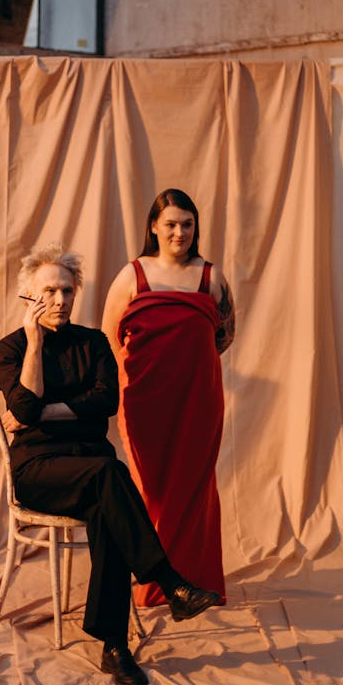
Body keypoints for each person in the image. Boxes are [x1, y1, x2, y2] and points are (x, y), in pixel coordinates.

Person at [0, 241, 224, 685]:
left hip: (92, 472)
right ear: (30, 297)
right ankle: (169, 580)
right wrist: (36, 343)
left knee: (108, 504)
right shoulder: (12, 347)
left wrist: (44, 409)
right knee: (111, 474)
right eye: (49, 292)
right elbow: (23, 408)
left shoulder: (94, 341)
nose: (60, 301)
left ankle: (114, 647)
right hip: (39, 470)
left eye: (67, 291)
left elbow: (105, 403)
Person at [101, 189, 235, 608]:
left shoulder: (211, 277)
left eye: (187, 224)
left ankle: (193, 581)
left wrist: (190, 364)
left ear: (196, 228)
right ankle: (157, 583)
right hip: (143, 402)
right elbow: (108, 337)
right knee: (151, 490)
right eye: (171, 224)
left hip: (199, 401)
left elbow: (225, 335)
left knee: (195, 488)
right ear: (154, 227)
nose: (180, 232)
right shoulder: (132, 275)